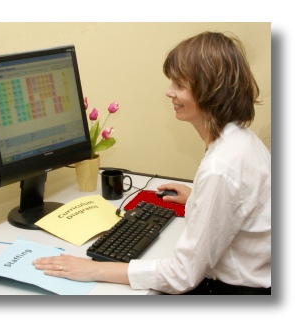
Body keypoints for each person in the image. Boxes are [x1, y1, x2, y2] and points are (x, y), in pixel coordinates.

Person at [32, 31, 271, 295]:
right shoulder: (243, 141)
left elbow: (182, 276)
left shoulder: (221, 168)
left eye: (180, 85)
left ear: (210, 91)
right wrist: (198, 199)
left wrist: (93, 270)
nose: (169, 92)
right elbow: (237, 210)